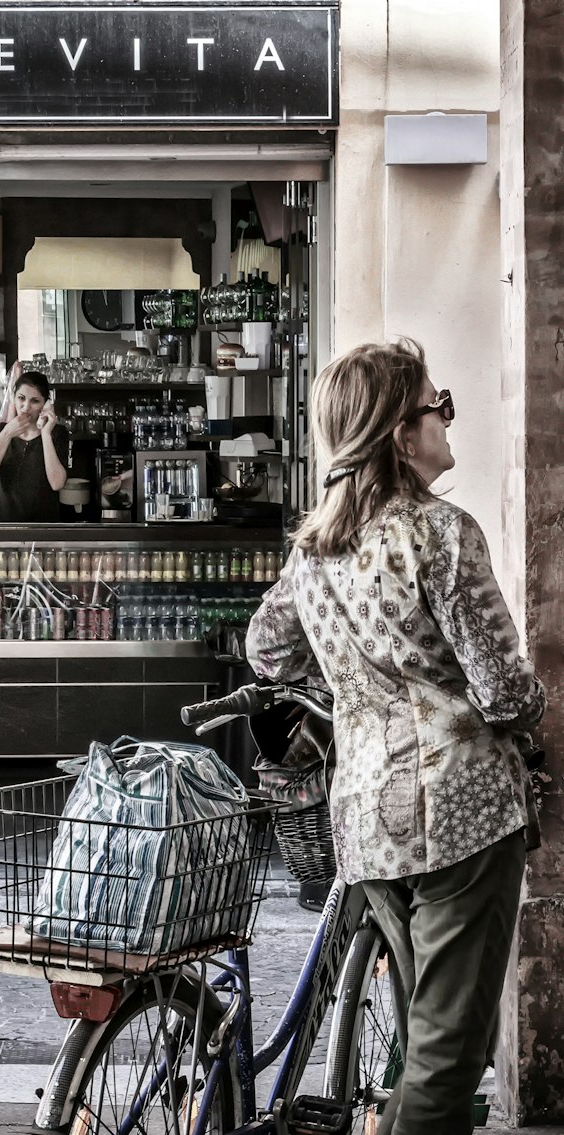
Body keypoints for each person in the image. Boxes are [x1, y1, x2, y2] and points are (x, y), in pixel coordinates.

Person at [245, 339, 545, 1135]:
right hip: (462, 817)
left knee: (424, 1044)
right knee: (445, 1066)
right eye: (435, 403)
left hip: (368, 828)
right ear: (401, 435)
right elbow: (507, 693)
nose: (449, 416)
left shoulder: (315, 551)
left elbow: (265, 648)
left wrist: (351, 682)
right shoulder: (440, 533)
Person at [0, 370, 69, 522]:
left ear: (45, 403)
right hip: (5, 527)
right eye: (21, 398)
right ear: (13, 398)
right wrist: (7, 434)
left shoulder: (57, 433)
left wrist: (45, 433)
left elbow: (57, 484)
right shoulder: (0, 431)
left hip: (45, 528)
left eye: (35, 401)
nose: (25, 407)